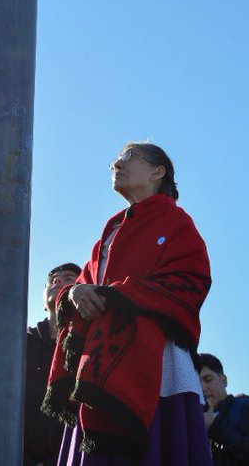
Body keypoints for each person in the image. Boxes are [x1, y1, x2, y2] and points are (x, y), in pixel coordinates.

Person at [44, 142, 213, 464]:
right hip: (97, 364)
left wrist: (117, 295)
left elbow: (191, 281)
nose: (116, 165)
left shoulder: (177, 222)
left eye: (128, 158)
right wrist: (75, 295)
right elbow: (86, 285)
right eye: (115, 161)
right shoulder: (111, 230)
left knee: (158, 451)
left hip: (156, 362)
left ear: (157, 172)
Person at [26, 263, 82, 466]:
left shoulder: (92, 345)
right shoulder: (20, 344)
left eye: (68, 278)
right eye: (52, 280)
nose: (58, 281)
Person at [195, 352, 249, 466]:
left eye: (208, 379)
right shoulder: (193, 418)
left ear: (224, 380)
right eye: (197, 383)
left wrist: (215, 431)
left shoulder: (246, 410)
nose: (203, 388)